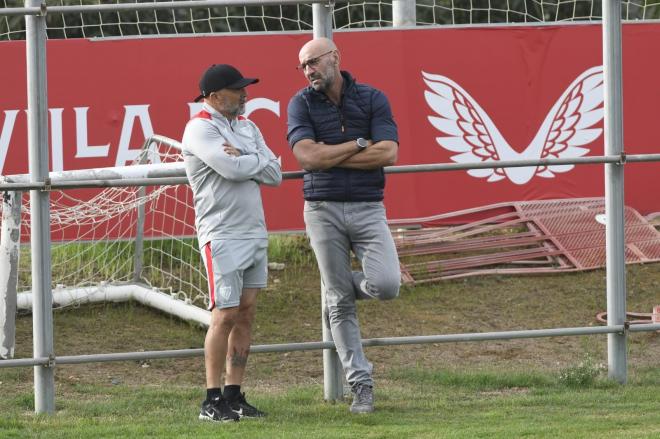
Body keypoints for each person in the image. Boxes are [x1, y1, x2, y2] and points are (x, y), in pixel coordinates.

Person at [286, 38, 401, 414]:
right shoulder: (300, 102)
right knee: (339, 304)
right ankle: (361, 386)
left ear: (334, 58)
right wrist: (357, 144)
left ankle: (340, 287)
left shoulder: (372, 97)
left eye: (313, 62)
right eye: (303, 67)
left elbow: (389, 152)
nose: (308, 71)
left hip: (369, 206)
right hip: (321, 209)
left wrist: (329, 155)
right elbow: (307, 156)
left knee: (385, 285)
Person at [182, 64, 282, 423]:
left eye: (244, 88)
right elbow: (233, 170)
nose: (244, 94)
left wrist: (245, 157)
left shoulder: (248, 127)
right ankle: (210, 401)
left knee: (246, 314)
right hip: (221, 234)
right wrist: (250, 161)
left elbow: (276, 174)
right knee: (223, 315)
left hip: (254, 232)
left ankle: (234, 395)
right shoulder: (199, 128)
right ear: (212, 97)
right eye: (237, 89)